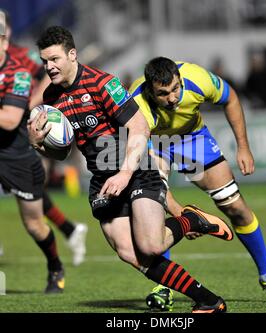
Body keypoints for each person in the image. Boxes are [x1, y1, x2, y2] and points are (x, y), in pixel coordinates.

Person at [28, 26, 235, 313]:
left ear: (72, 55)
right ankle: (209, 301)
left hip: (136, 167)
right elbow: (63, 152)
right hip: (102, 177)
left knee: (151, 246)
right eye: (44, 61)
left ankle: (191, 220)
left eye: (54, 60)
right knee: (129, 252)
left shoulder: (103, 83)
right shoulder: (51, 98)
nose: (48, 67)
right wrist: (39, 144)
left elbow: (139, 127)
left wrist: (125, 172)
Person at [129, 56, 266, 309]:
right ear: (151, 90)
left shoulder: (198, 78)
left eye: (176, 88)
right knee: (154, 208)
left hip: (192, 139)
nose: (173, 98)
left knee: (234, 206)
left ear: (180, 78)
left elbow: (231, 99)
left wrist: (243, 147)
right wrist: (181, 214)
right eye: (163, 93)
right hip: (155, 144)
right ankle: (164, 286)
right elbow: (147, 159)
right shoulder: (136, 104)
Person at [0, 9, 88, 266]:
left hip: (23, 132)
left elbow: (47, 78)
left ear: (9, 32)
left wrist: (30, 105)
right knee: (32, 195)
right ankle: (71, 230)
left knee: (33, 196)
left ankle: (68, 233)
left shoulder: (22, 57)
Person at [0, 18, 64, 293]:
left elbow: (9, 120)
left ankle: (55, 265)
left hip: (15, 158)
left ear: (3, 41)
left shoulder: (18, 73)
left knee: (35, 225)